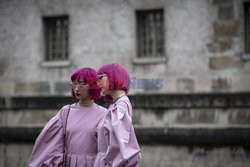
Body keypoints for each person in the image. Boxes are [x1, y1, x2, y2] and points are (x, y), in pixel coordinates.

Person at [29, 67, 107, 167]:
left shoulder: (104, 114)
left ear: (93, 86)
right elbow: (50, 143)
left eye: (82, 84)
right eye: (74, 84)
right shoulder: (66, 112)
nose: (77, 89)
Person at [94, 63, 141, 167]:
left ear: (113, 76)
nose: (97, 83)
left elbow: (121, 148)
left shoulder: (120, 108)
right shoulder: (116, 105)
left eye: (100, 77)